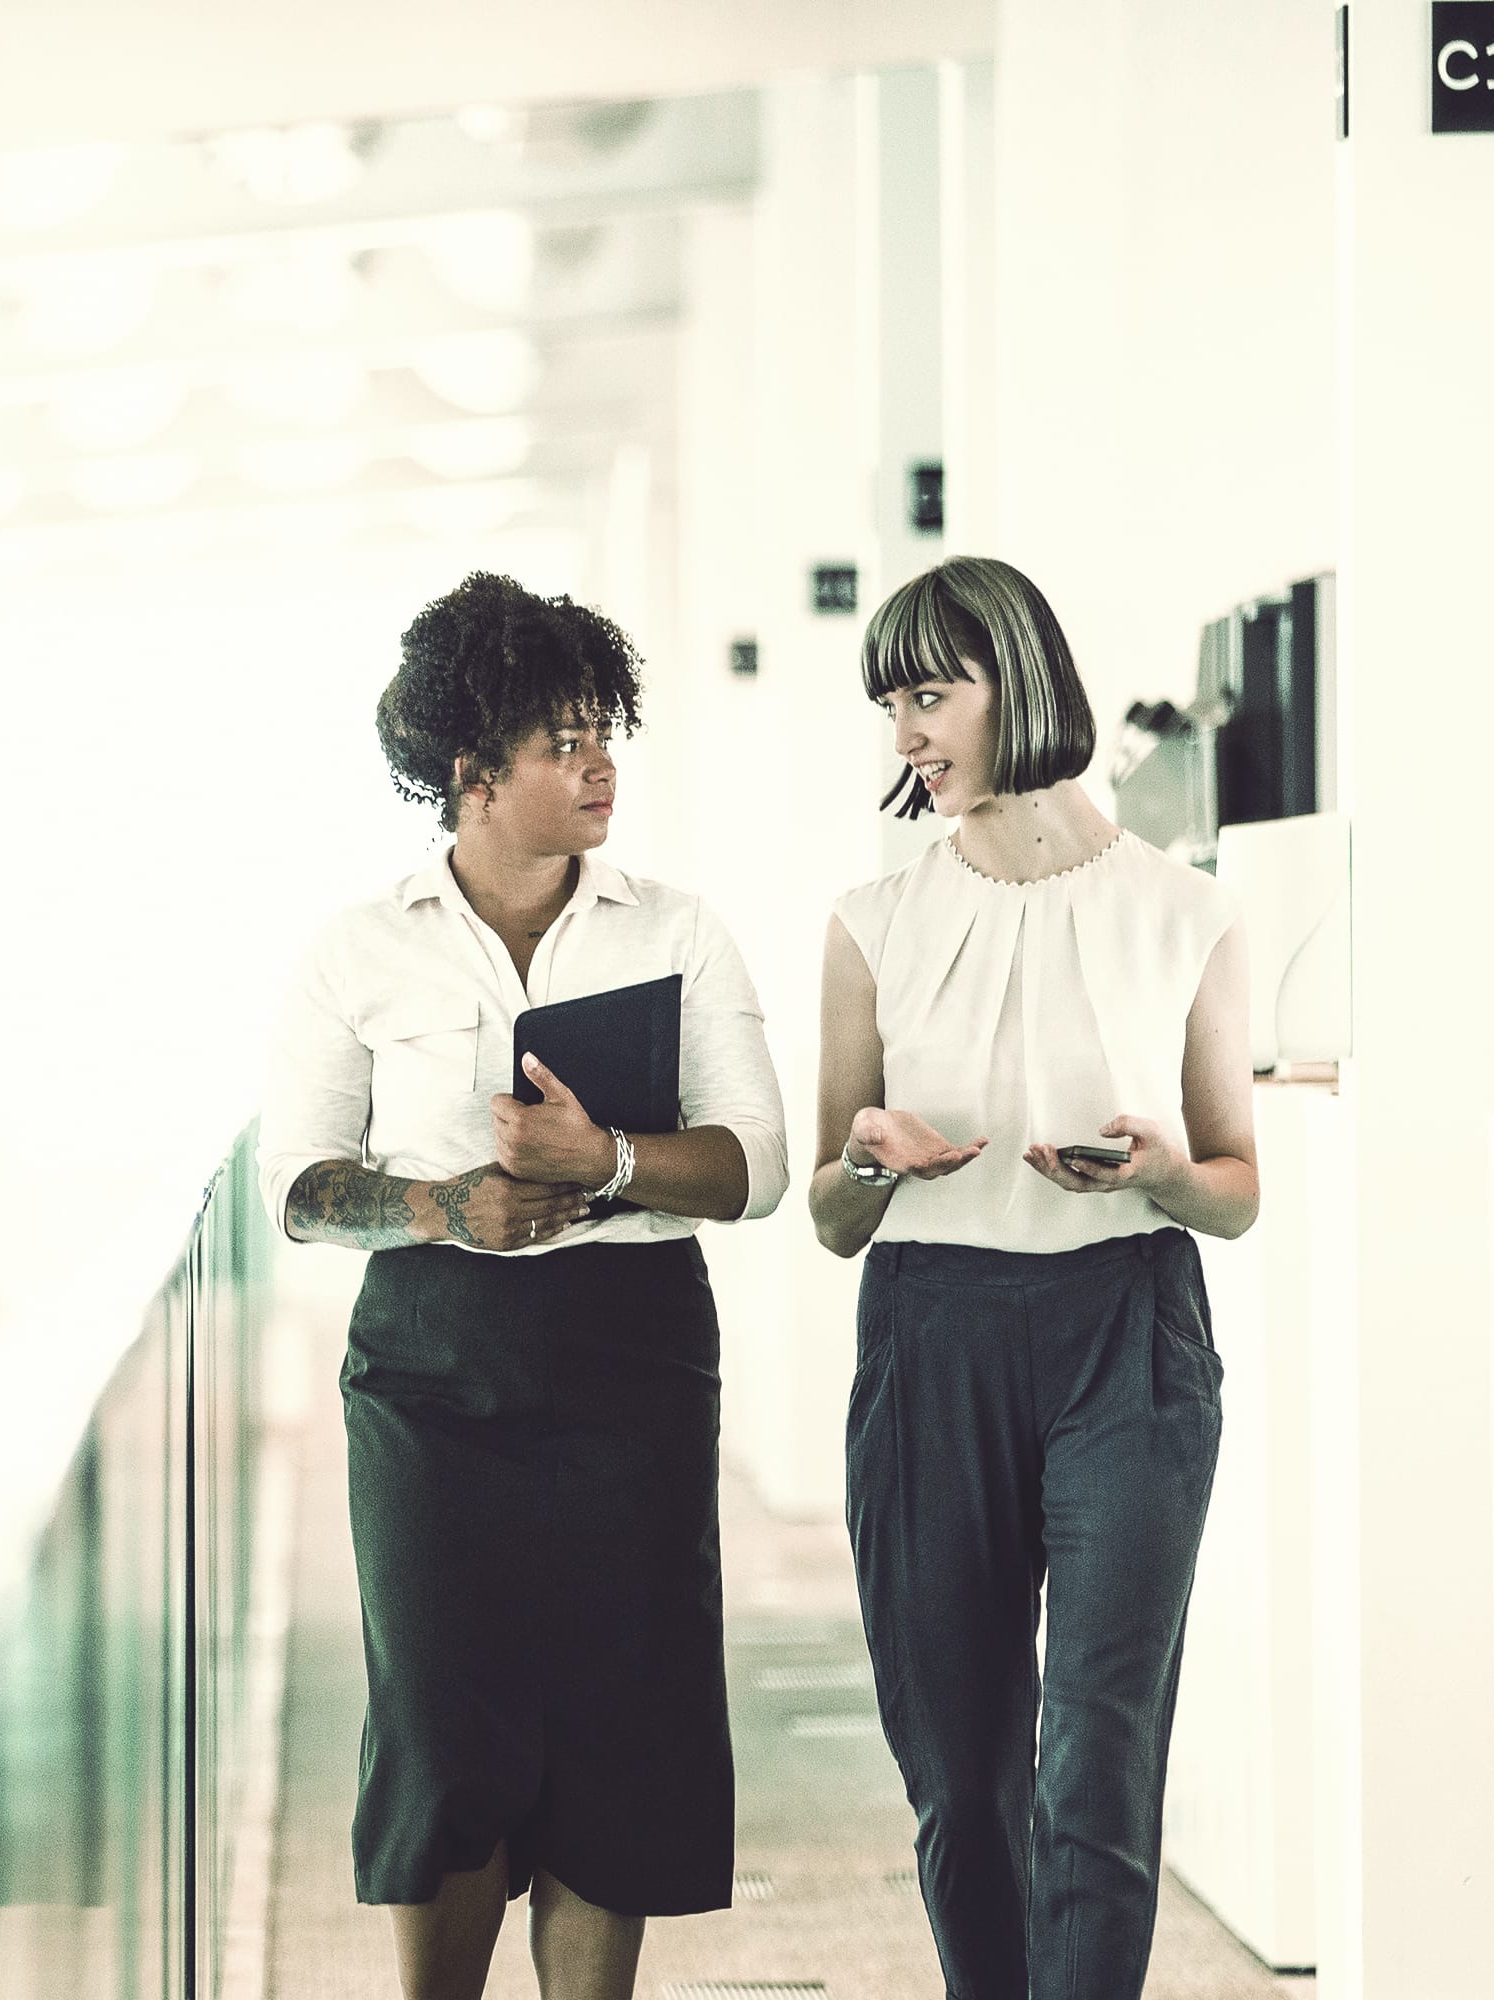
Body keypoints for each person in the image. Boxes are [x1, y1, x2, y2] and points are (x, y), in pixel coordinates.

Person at [259, 572, 791, 2000]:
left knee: (621, 1729)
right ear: (468, 774)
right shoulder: (358, 948)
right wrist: (446, 1205)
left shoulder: (675, 931)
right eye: (563, 741)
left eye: (604, 730)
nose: (601, 762)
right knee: (443, 1729)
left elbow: (756, 1167)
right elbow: (299, 1186)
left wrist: (605, 1159)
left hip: (634, 1355)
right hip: (432, 1361)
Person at [806, 555, 1258, 1999]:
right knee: (963, 1772)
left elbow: (1236, 1192)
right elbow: (828, 1211)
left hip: (1129, 1333)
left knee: (1099, 1757)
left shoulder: (1185, 914)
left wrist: (1161, 1172)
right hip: (933, 1339)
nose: (906, 738)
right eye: (892, 707)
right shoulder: (872, 923)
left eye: (929, 696)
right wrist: (873, 1155)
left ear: (1022, 683)